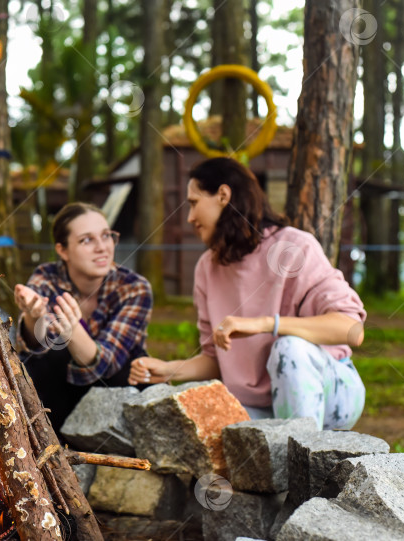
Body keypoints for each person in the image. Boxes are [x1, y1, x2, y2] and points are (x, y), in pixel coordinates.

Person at [128, 157, 366, 430]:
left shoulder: (294, 246)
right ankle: (280, 454)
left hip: (333, 398)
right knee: (199, 417)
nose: (190, 217)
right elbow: (216, 361)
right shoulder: (207, 267)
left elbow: (352, 329)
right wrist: (169, 369)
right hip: (262, 408)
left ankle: (303, 459)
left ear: (223, 195)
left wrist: (266, 324)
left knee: (289, 348)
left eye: (193, 203)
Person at [14, 202, 153, 434]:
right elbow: (33, 350)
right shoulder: (47, 276)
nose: (102, 248)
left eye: (106, 236)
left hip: (115, 384)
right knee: (38, 361)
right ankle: (46, 442)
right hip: (60, 391)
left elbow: (105, 363)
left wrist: (74, 331)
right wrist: (33, 316)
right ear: (63, 250)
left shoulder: (134, 287)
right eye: (86, 240)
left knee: (138, 368)